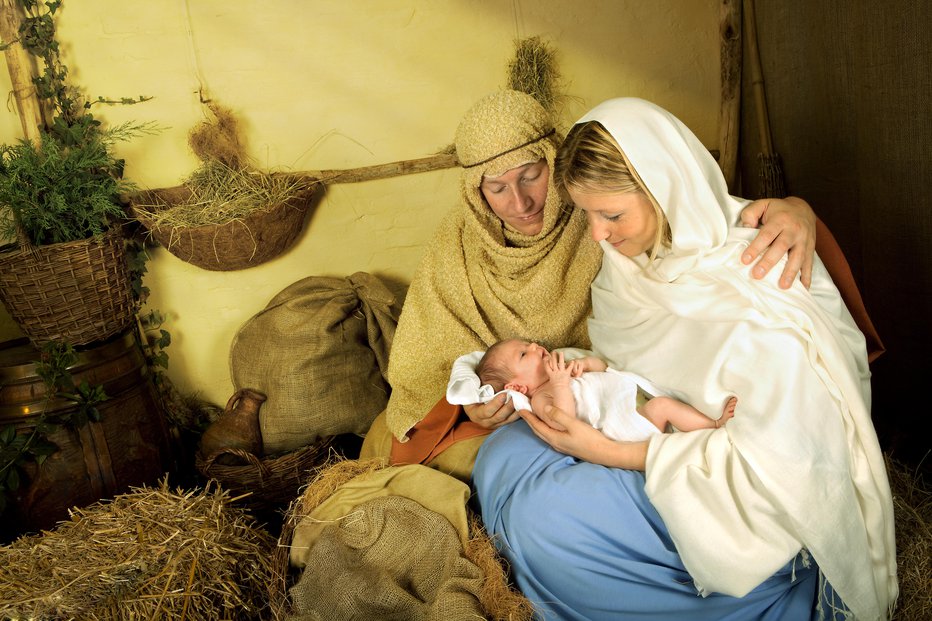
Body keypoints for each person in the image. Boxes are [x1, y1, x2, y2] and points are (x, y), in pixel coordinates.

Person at [358, 89, 825, 619]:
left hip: (633, 416)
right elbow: (428, 358)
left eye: (531, 175)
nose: (521, 202)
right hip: (546, 409)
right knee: (486, 463)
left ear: (553, 163)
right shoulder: (464, 247)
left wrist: (799, 209)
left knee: (539, 512)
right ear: (473, 192)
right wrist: (472, 407)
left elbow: (707, 231)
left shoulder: (596, 219)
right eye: (497, 187)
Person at [472, 97, 897, 620]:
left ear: (664, 187)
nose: (598, 234)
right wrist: (571, 384)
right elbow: (625, 365)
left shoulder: (760, 275)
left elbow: (781, 473)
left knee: (543, 521)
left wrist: (604, 450)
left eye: (611, 214)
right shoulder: (627, 270)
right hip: (647, 433)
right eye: (588, 214)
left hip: (721, 490)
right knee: (500, 456)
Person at [474, 338, 735, 441]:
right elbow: (563, 421)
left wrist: (585, 364)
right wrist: (560, 384)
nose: (533, 346)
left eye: (527, 343)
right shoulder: (542, 397)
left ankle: (695, 426)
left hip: (629, 402)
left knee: (665, 400)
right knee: (663, 406)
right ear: (517, 386)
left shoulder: (562, 365)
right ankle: (714, 427)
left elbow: (603, 366)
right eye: (523, 353)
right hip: (621, 428)